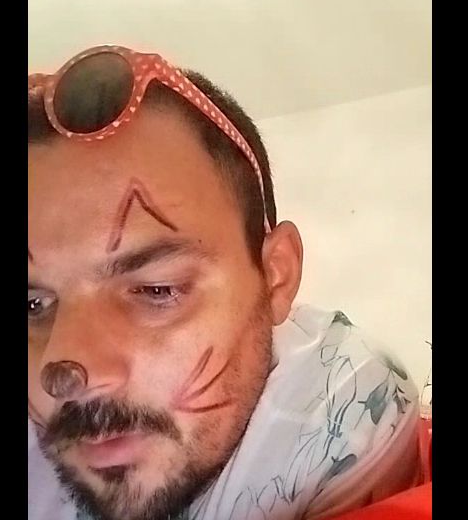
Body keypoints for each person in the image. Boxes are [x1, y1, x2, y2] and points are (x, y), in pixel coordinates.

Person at [28, 45, 425, 520]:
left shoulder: (346, 408)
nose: (69, 375)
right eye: (32, 305)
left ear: (276, 277)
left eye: (157, 290)